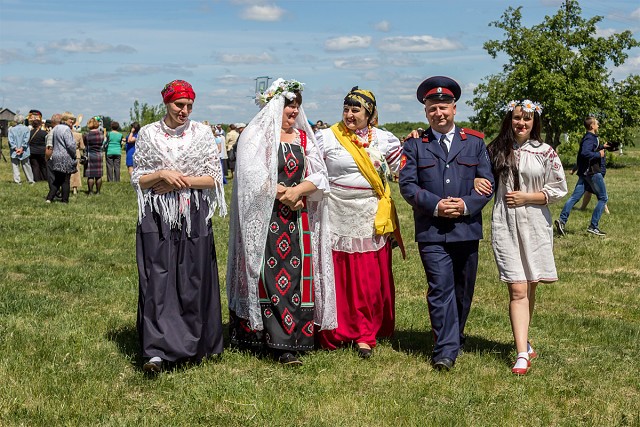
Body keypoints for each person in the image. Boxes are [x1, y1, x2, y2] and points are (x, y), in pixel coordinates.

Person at [227, 78, 336, 365]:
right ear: (275, 106)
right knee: (267, 274)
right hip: (265, 217)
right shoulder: (256, 136)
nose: (293, 112)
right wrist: (282, 193)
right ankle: (273, 341)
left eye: (297, 106)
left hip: (297, 217)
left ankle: (296, 337)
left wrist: (298, 190)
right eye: (289, 106)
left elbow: (320, 173)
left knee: (297, 276)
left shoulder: (302, 137)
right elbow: (251, 176)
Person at [399, 76, 494, 371]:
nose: (438, 114)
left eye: (443, 107)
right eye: (432, 110)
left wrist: (466, 204)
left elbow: (488, 181)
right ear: (425, 113)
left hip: (467, 230)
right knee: (440, 288)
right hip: (432, 231)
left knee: (464, 290)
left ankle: (456, 335)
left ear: (454, 108)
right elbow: (408, 185)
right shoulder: (416, 145)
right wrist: (437, 206)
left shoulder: (475, 143)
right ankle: (445, 350)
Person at [131, 80, 226, 373]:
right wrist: (160, 173)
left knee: (191, 277)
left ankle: (193, 343)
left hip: (193, 214)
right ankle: (156, 351)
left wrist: (177, 180)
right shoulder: (148, 134)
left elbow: (214, 178)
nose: (184, 111)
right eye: (178, 105)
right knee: (157, 278)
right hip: (157, 215)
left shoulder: (202, 134)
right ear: (166, 103)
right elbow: (139, 178)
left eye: (189, 106)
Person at [474, 100, 567, 375]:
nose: (521, 124)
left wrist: (529, 197)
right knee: (517, 288)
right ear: (509, 120)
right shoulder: (496, 149)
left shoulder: (545, 152)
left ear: (534, 122)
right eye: (516, 118)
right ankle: (521, 354)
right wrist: (477, 181)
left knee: (530, 285)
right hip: (505, 223)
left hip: (535, 223)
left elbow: (559, 187)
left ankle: (524, 338)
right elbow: (478, 173)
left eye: (526, 120)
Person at [316, 87, 404, 359]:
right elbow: (313, 170)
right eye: (346, 109)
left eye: (356, 110)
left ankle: (365, 333)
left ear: (370, 114)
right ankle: (336, 328)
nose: (350, 115)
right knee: (339, 273)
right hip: (336, 211)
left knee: (366, 276)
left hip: (370, 214)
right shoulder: (328, 137)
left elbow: (402, 170)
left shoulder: (384, 139)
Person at [555, 116, 609, 237]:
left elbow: (581, 155)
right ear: (592, 126)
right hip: (593, 173)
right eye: (597, 124)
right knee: (603, 198)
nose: (598, 125)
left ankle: (562, 221)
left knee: (574, 197)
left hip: (584, 173)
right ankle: (593, 226)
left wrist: (575, 168)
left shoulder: (587, 138)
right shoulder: (591, 138)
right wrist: (598, 154)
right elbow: (585, 153)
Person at [46, 112, 78, 203]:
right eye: (70, 119)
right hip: (65, 156)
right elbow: (70, 145)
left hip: (56, 155)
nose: (72, 121)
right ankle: (65, 200)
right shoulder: (66, 129)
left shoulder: (56, 128)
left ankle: (49, 198)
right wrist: (74, 154)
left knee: (58, 179)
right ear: (64, 119)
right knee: (65, 180)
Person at [8, 114, 35, 184]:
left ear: (15, 121)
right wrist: (22, 148)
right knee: (27, 166)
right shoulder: (27, 129)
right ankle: (31, 181)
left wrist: (15, 148)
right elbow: (26, 139)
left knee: (15, 167)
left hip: (14, 151)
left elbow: (10, 140)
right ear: (23, 120)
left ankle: (17, 181)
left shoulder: (11, 129)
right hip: (25, 151)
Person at [83, 117, 105, 195]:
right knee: (98, 175)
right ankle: (98, 192)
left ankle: (90, 191)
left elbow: (85, 144)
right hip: (99, 155)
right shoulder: (101, 134)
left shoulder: (86, 135)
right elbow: (103, 143)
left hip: (90, 155)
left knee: (90, 176)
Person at [28, 115, 48, 181]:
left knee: (35, 166)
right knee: (43, 166)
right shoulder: (44, 133)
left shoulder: (29, 133)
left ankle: (36, 179)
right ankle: (45, 178)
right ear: (40, 125)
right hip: (42, 151)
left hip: (32, 151)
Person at [70, 124, 84, 195]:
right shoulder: (79, 135)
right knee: (76, 172)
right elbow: (82, 146)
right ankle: (75, 189)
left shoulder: (68, 133)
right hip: (76, 153)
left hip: (68, 153)